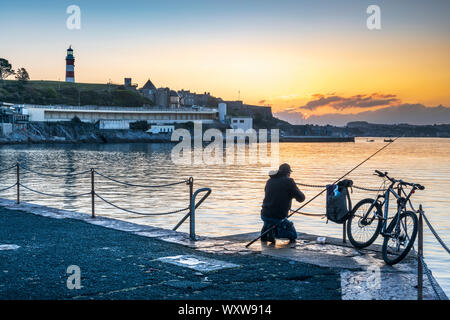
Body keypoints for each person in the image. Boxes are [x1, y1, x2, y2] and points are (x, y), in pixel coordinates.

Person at [260, 163, 305, 243]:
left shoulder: (269, 181)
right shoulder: (289, 181)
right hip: (278, 217)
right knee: (293, 235)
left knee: (269, 222)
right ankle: (274, 233)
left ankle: (267, 231)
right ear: (288, 173)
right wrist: (293, 188)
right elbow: (301, 198)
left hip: (264, 214)